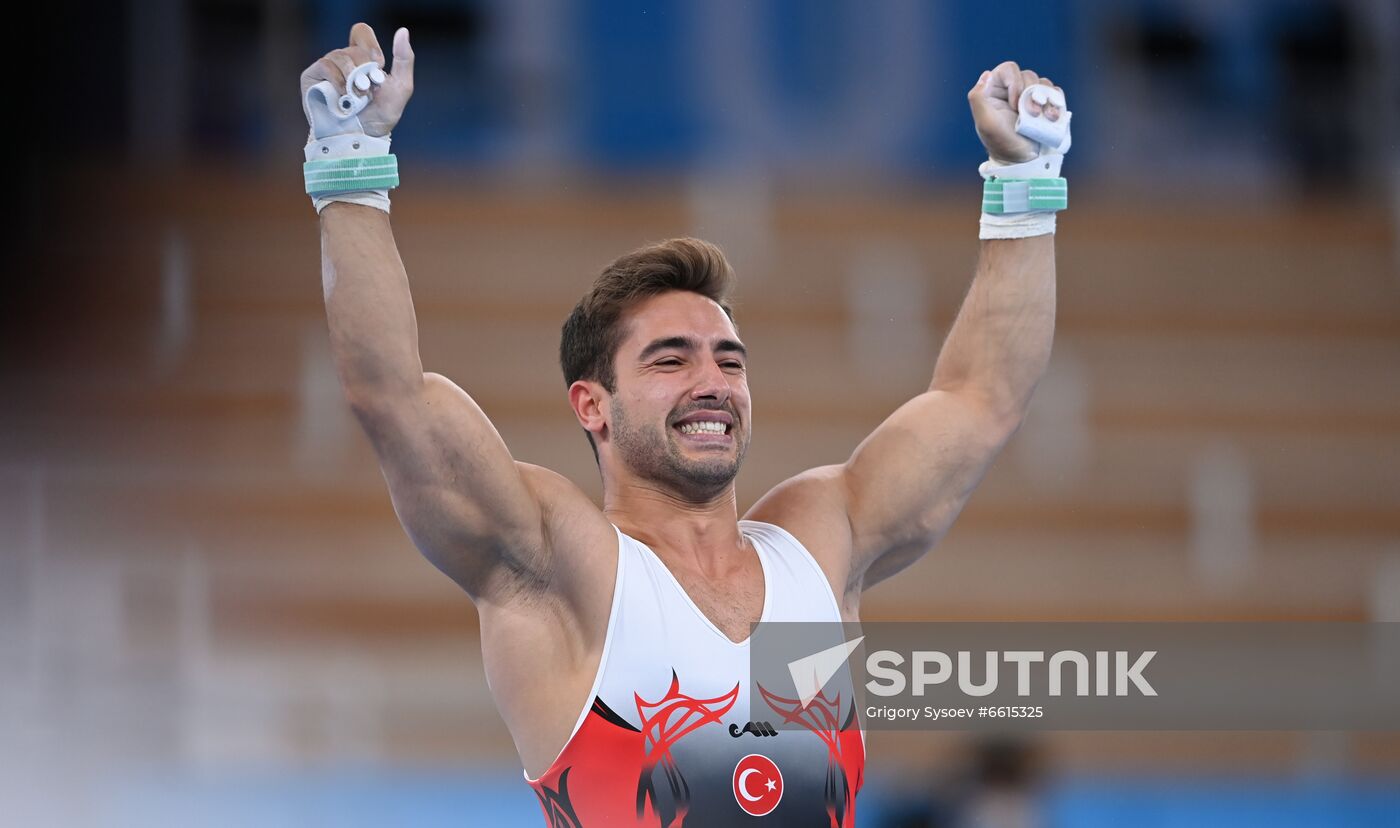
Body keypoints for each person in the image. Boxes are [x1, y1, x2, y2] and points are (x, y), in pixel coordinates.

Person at [301, 22, 1063, 828]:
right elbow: (392, 398)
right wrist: (350, 165)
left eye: (729, 361)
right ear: (591, 404)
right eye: (670, 361)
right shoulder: (566, 570)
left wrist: (1024, 182)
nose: (712, 383)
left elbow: (982, 397)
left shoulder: (819, 541)